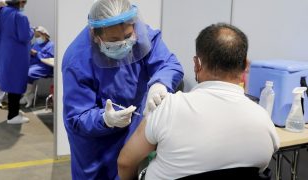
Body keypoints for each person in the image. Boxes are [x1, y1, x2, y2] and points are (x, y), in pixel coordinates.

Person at [118, 23, 280, 180]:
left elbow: (125, 163)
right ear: (245, 65)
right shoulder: (263, 119)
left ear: (197, 64)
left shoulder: (168, 108)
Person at [62, 0, 184, 179]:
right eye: (113, 41)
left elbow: (169, 64)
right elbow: (76, 117)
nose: (125, 44)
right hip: (97, 147)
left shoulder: (141, 36)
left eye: (127, 35)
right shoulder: (77, 60)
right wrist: (105, 119)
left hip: (134, 131)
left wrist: (160, 84)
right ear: (95, 35)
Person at [0, 0, 33, 124]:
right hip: (17, 55)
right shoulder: (20, 16)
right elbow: (24, 36)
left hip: (5, 53)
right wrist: (31, 31)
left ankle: (13, 111)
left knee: (10, 82)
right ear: (20, 2)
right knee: (16, 82)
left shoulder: (0, 13)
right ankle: (13, 116)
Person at [20, 26, 54, 108]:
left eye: (38, 36)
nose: (37, 38)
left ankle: (28, 96)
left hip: (44, 67)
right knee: (21, 71)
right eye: (36, 36)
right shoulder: (36, 44)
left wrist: (36, 54)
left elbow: (50, 58)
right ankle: (28, 95)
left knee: (29, 73)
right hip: (34, 65)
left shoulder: (51, 45)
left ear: (45, 35)